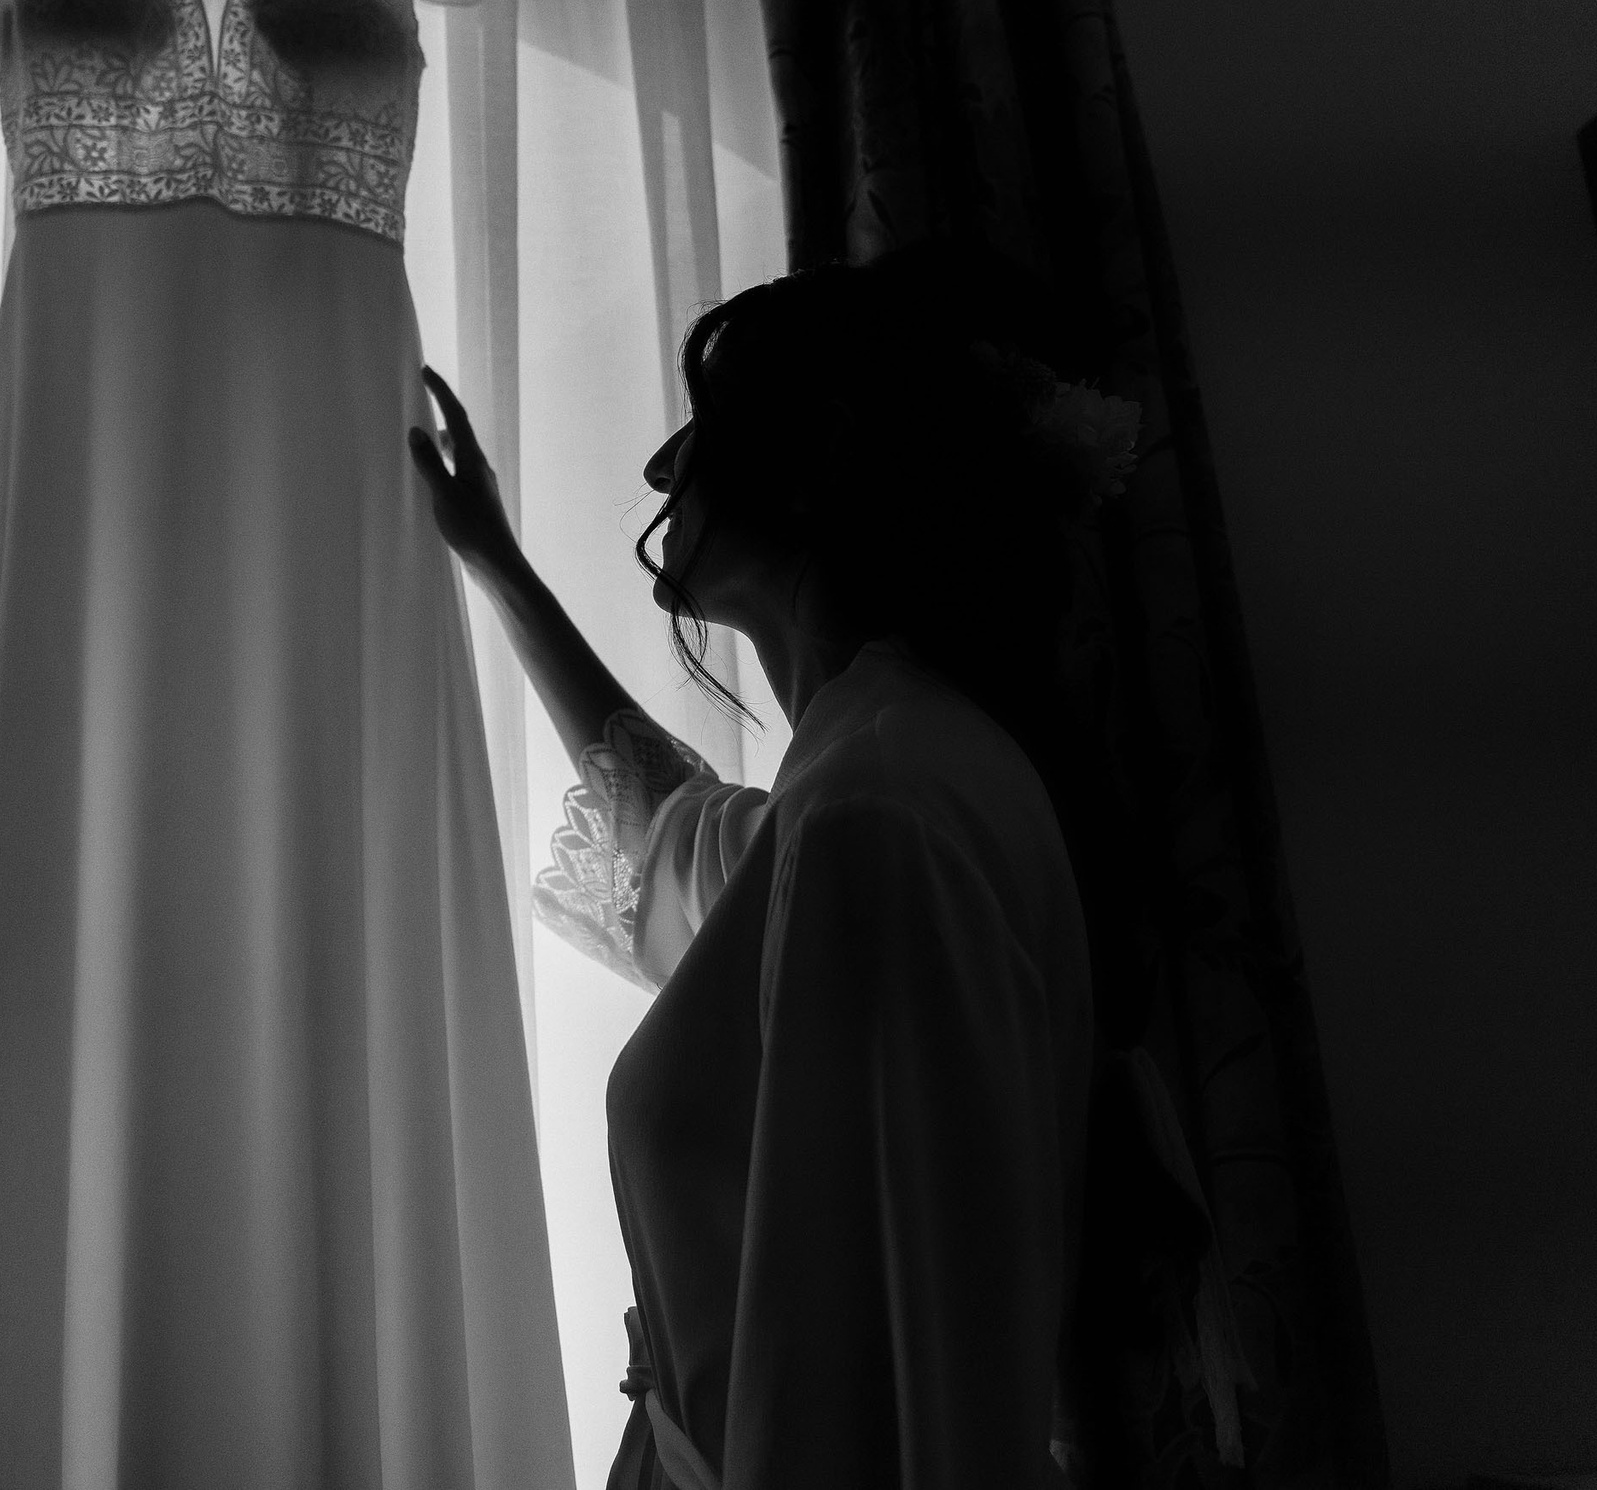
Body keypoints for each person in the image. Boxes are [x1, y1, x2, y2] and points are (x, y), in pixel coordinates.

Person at [406, 238, 1142, 1490]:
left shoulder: (882, 808)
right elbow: (682, 835)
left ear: (812, 469)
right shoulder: (879, 764)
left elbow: (927, 1383)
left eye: (702, 426)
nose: (662, 467)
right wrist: (495, 562)